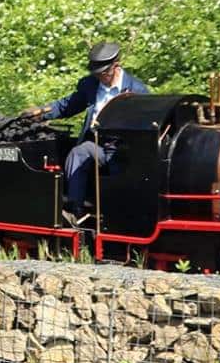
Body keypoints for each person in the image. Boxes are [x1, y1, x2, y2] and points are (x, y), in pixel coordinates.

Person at [21, 39, 150, 226]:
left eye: (104, 73)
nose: (100, 77)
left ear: (116, 66)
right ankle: (75, 210)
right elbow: (67, 105)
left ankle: (117, 216)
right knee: (78, 152)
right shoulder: (90, 85)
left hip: (123, 148)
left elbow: (143, 126)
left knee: (120, 167)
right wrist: (40, 113)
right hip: (97, 143)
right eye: (96, 74)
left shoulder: (137, 91)